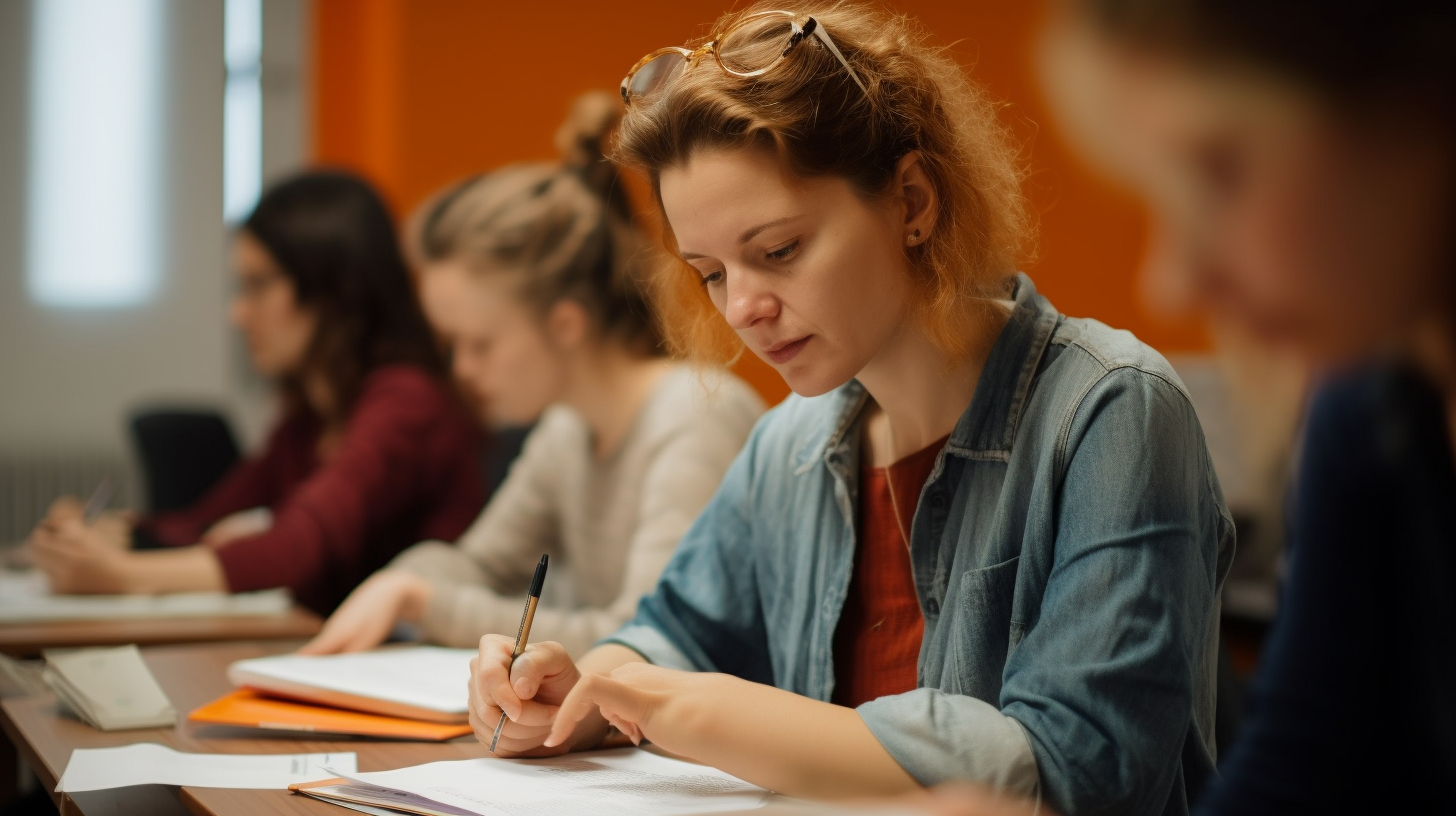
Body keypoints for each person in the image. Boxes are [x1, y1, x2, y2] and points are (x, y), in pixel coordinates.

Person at [465, 5, 1234, 814]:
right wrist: (579, 690)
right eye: (712, 272)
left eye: (779, 251)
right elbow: (676, 636)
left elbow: (1080, 770)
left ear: (911, 201)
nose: (744, 309)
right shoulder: (790, 444)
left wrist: (685, 706)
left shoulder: (1112, 412)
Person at [1031, 1, 1454, 814]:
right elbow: (1307, 768)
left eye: (1219, 171)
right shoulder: (1365, 413)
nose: (1173, 281)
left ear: (1423, 105)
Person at [298, 93, 765, 658]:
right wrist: (398, 583)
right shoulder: (567, 428)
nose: (462, 370)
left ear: (565, 323)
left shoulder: (693, 417)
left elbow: (647, 639)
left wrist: (421, 601)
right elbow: (480, 565)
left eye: (480, 343)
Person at [27, 171, 485, 616]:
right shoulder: (313, 413)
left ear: (334, 289)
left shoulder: (408, 400)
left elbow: (297, 546)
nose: (238, 313)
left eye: (259, 285)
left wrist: (121, 575)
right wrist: (114, 532)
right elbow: (207, 520)